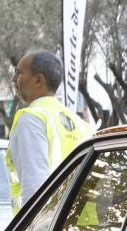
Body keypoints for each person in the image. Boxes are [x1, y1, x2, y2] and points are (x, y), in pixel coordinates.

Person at [7, 50, 86, 209]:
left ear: (38, 80)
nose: (14, 79)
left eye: (20, 73)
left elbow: (35, 188)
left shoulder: (31, 120)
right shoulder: (80, 123)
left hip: (50, 226)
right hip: (80, 226)